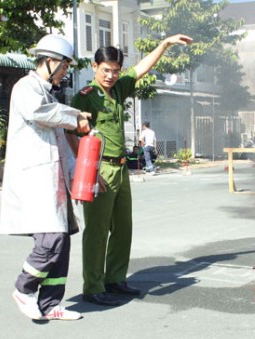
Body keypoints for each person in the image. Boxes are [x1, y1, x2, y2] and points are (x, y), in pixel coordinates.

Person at [68, 34, 193, 306]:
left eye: (115, 70)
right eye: (105, 70)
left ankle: (114, 279)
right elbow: (70, 134)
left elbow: (142, 68)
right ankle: (93, 286)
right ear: (94, 67)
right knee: (97, 231)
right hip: (100, 170)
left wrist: (164, 44)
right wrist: (88, 171)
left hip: (122, 169)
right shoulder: (85, 97)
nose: (111, 75)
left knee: (123, 228)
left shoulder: (119, 89)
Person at [0, 34, 92, 320]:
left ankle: (50, 304)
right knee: (51, 239)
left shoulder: (48, 94)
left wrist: (77, 173)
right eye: (63, 66)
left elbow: (61, 141)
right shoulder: (26, 87)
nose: (65, 72)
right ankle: (23, 289)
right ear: (49, 61)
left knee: (61, 241)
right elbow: (40, 113)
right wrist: (75, 116)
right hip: (35, 180)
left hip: (54, 179)